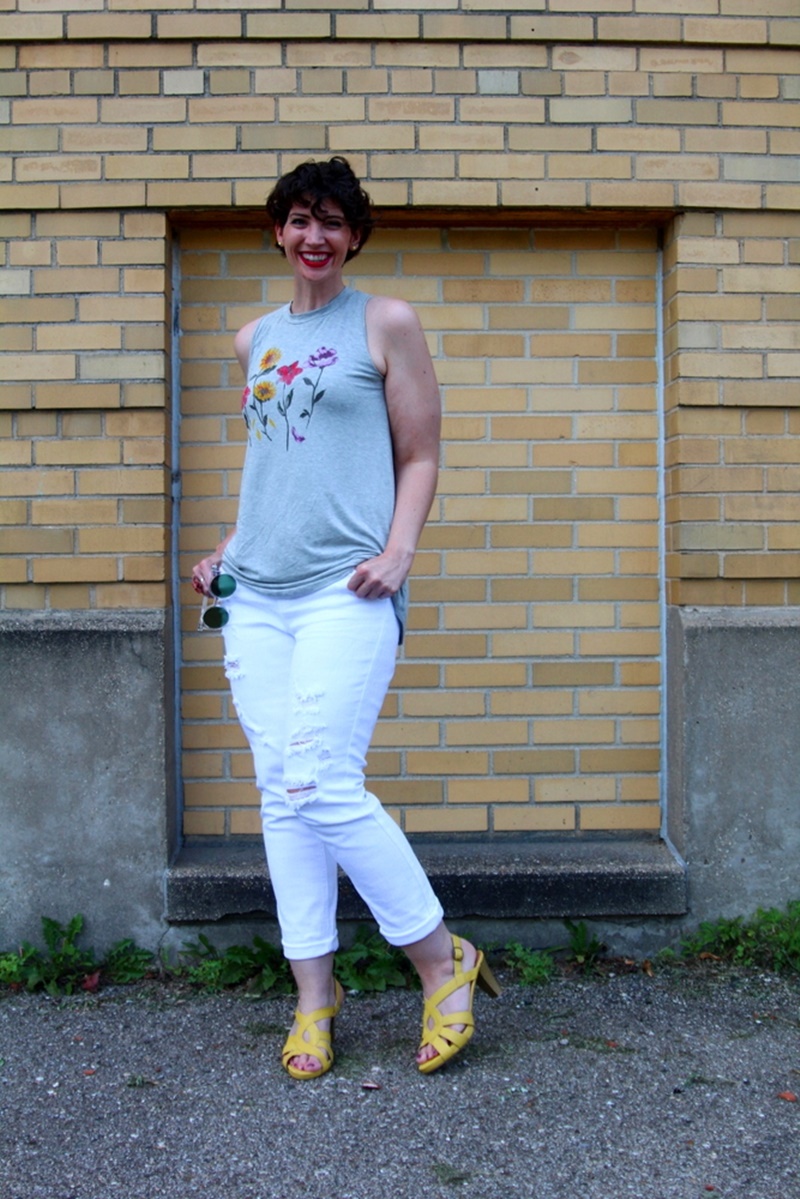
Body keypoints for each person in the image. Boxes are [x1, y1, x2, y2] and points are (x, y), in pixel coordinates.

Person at [191, 156, 499, 1080]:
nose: (313, 236)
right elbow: (280, 468)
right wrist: (227, 549)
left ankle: (442, 962)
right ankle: (314, 998)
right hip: (254, 595)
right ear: (278, 232)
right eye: (297, 220)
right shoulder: (253, 340)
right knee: (284, 796)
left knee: (322, 780)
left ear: (354, 235)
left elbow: (422, 453)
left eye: (331, 221)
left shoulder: (386, 322)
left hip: (347, 589)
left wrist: (400, 550)